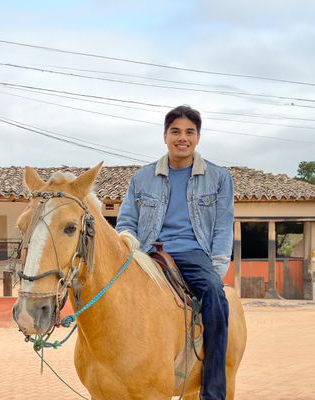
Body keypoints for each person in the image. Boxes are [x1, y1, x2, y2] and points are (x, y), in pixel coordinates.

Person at [115, 105, 234, 400]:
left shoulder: (219, 178)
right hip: (147, 255)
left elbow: (223, 226)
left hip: (194, 254)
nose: (183, 138)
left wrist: (216, 269)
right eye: (176, 132)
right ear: (165, 136)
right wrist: (129, 248)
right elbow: (126, 221)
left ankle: (213, 392)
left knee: (216, 296)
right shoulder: (141, 178)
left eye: (189, 132)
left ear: (198, 137)